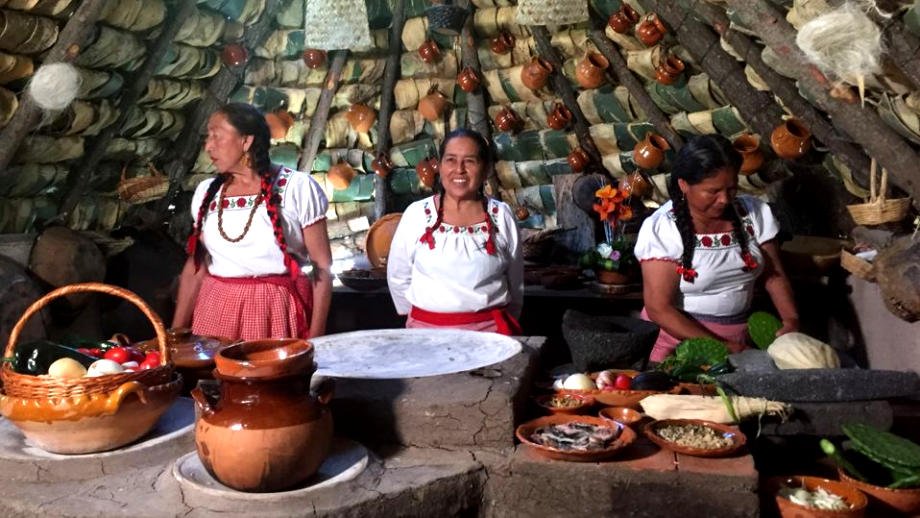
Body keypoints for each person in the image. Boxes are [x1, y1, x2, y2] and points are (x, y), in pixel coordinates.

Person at [172, 103, 333, 340]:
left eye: (217, 136)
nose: (208, 146)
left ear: (246, 142)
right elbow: (196, 268)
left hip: (274, 312)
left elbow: (323, 269)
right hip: (215, 313)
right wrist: (174, 334)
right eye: (208, 137)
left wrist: (316, 339)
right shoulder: (207, 193)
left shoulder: (295, 188)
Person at [635, 134, 798, 362]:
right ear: (684, 185)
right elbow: (659, 308)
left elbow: (774, 275)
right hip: (679, 344)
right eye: (713, 191)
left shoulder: (754, 214)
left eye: (731, 189)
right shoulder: (663, 229)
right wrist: (723, 347)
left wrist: (791, 320)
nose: (724, 199)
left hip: (739, 338)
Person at [387, 128, 524, 335]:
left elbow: (516, 284)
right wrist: (425, 318)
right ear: (440, 166)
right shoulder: (416, 215)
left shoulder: (501, 216)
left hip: (490, 337)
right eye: (451, 160)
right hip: (425, 336)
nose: (459, 169)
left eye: (470, 161)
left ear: (485, 169)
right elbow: (398, 277)